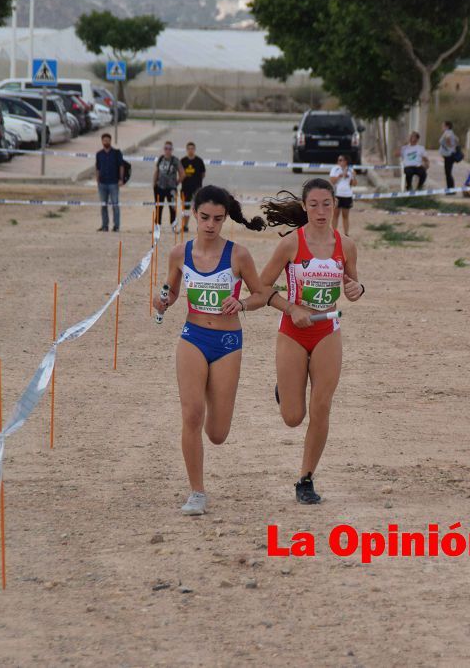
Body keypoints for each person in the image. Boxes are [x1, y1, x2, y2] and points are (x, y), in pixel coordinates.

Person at [154, 185, 271, 516]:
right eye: (204, 217)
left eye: (218, 219)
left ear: (224, 220)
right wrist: (161, 301)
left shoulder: (238, 255)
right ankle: (197, 492)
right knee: (191, 414)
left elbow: (261, 294)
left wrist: (243, 303)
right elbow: (171, 290)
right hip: (193, 337)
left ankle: (211, 394)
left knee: (217, 433)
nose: (210, 225)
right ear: (194, 213)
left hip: (228, 343)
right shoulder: (180, 253)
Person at [259, 178, 364, 505]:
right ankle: (284, 388)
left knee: (322, 406)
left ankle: (305, 478)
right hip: (292, 330)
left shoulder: (346, 245)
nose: (321, 211)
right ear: (304, 207)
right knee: (293, 417)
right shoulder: (291, 244)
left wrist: (356, 290)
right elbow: (261, 289)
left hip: (327, 329)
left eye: (327, 204)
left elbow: (354, 285)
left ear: (336, 205)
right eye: (314, 204)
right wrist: (291, 307)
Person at [95, 133, 124, 232]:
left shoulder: (116, 153)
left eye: (107, 140)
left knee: (115, 205)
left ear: (110, 141)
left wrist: (121, 179)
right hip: (102, 183)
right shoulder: (99, 154)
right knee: (103, 205)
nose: (106, 142)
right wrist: (97, 179)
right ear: (102, 141)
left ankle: (116, 226)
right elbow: (98, 167)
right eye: (104, 140)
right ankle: (104, 225)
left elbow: (121, 166)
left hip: (114, 183)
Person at [152, 141, 183, 229]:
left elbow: (182, 173)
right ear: (164, 149)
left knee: (172, 207)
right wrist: (154, 184)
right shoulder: (161, 158)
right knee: (158, 207)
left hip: (171, 188)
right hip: (159, 187)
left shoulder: (175, 160)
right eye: (166, 148)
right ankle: (157, 226)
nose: (167, 150)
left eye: (169, 149)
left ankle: (173, 225)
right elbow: (157, 171)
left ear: (172, 150)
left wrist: (176, 183)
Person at [179, 142, 206, 234]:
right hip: (185, 189)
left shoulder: (199, 161)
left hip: (197, 189)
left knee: (198, 209)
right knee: (185, 208)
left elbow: (203, 174)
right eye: (189, 149)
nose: (190, 150)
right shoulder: (183, 161)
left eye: (192, 149)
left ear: (194, 150)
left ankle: (200, 227)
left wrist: (197, 182)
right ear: (187, 150)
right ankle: (185, 226)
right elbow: (180, 173)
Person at [328, 154, 357, 235]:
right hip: (337, 194)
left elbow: (354, 184)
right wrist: (340, 176)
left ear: (346, 161)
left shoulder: (351, 170)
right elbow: (332, 181)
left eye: (341, 160)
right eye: (338, 160)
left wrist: (354, 176)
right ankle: (333, 233)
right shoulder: (335, 169)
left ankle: (346, 234)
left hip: (347, 195)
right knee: (335, 215)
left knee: (345, 215)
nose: (339, 162)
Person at [438, 120, 459, 190]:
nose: (442, 127)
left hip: (448, 156)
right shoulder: (451, 132)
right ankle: (450, 188)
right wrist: (453, 146)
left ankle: (450, 188)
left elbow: (448, 138)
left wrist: (449, 146)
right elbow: (457, 140)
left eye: (443, 126)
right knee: (448, 173)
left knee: (448, 173)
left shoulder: (447, 132)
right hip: (449, 155)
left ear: (447, 126)